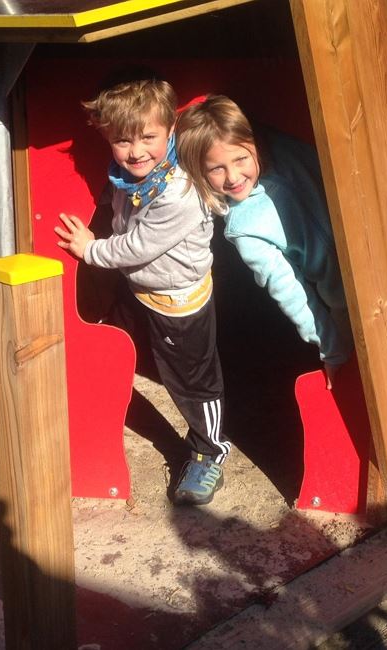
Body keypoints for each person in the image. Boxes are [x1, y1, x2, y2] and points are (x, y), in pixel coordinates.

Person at [55, 75, 231, 506]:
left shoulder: (178, 191)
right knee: (111, 339)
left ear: (170, 130)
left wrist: (89, 249)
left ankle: (209, 452)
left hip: (178, 302)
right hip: (142, 289)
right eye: (122, 140)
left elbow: (137, 246)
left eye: (148, 137)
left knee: (192, 381)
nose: (135, 151)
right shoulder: (128, 176)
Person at [176, 95, 353, 388]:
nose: (233, 176)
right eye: (216, 168)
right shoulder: (244, 227)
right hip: (344, 302)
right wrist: (332, 349)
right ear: (200, 172)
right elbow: (290, 292)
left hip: (373, 249)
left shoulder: (282, 148)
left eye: (240, 159)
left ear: (254, 144)